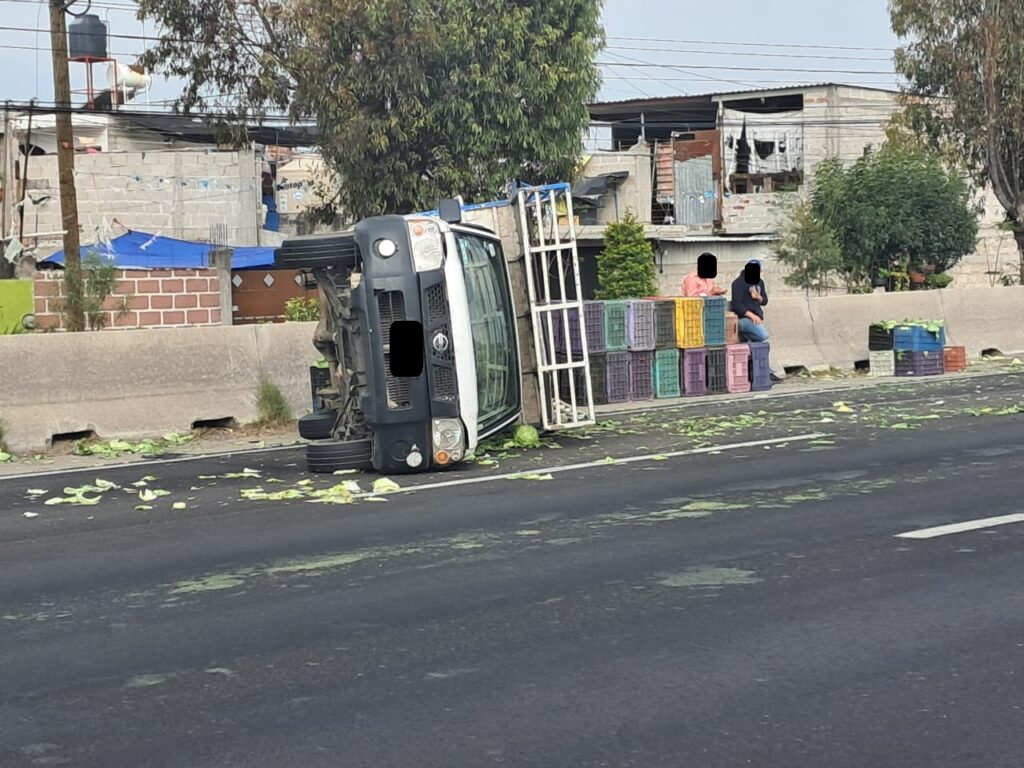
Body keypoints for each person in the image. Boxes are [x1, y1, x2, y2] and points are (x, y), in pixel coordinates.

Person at [731, 259, 784, 382]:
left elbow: (764, 300)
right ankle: (764, 370)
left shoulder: (760, 282)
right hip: (743, 319)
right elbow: (737, 304)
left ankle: (764, 371)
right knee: (762, 335)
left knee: (759, 344)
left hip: (757, 319)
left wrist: (758, 297)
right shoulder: (738, 283)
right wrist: (751, 316)